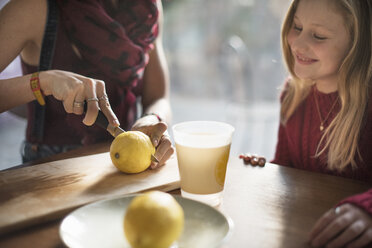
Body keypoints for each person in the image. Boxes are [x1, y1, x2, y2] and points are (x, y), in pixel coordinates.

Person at [0, 0, 173, 168]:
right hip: (51, 173)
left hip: (126, 167)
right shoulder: (31, 7)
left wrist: (154, 119)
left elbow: (158, 97)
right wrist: (44, 81)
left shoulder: (148, 9)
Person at [272, 0, 372, 247]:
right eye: (296, 26)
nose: (298, 43)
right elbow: (287, 170)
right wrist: (266, 169)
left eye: (318, 36)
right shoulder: (293, 96)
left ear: (357, 46)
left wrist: (368, 209)